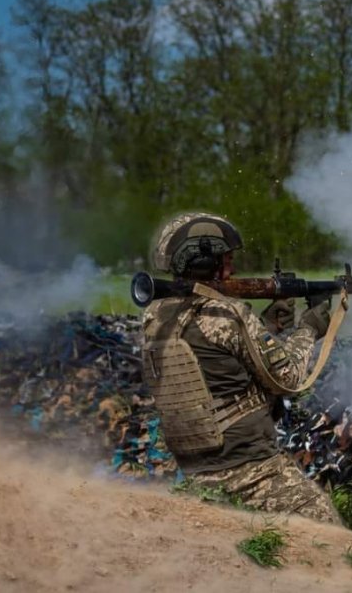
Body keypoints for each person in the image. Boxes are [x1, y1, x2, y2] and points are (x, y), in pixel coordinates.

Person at [141, 212, 338, 522]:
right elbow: (287, 379)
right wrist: (308, 329)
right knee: (330, 538)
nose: (231, 268)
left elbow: (215, 357)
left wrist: (266, 326)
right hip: (251, 471)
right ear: (205, 263)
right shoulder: (228, 314)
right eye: (226, 260)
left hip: (195, 471)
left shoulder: (156, 315)